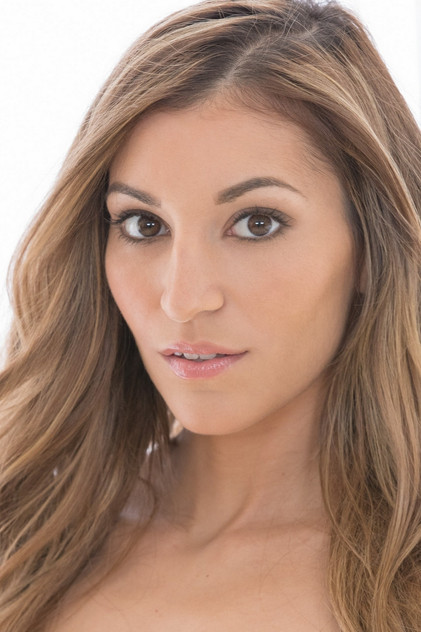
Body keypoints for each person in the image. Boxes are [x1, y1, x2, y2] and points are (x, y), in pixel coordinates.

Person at [1, 0, 420, 630]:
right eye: (144, 225)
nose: (183, 298)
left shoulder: (401, 584)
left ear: (370, 246)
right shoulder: (24, 531)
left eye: (257, 224)